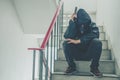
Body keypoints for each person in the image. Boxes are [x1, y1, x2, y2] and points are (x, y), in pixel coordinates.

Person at [63, 8, 103, 77]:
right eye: (81, 24)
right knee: (66, 43)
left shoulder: (92, 25)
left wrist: (78, 41)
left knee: (97, 42)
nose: (82, 27)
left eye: (84, 24)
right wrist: (72, 22)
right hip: (77, 53)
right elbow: (67, 36)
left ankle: (94, 68)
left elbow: (96, 34)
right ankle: (72, 67)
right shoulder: (74, 24)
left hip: (88, 53)